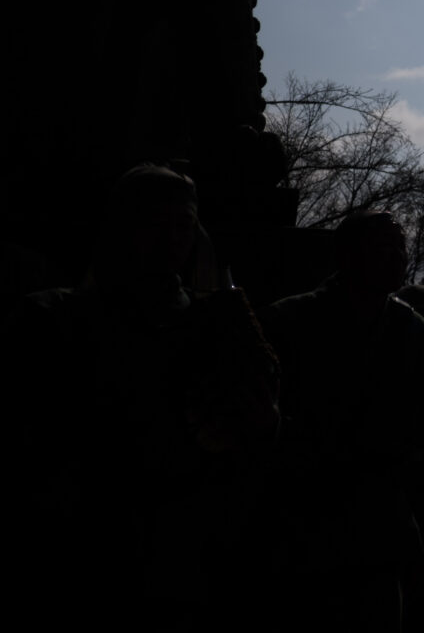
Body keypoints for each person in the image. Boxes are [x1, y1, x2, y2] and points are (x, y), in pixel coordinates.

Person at [5, 163, 278, 624]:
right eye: (155, 224)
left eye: (183, 226)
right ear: (120, 228)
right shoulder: (54, 317)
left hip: (188, 555)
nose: (171, 239)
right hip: (79, 550)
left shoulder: (218, 325)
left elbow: (257, 436)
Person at [265, 210, 424, 633]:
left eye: (401, 247)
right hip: (299, 522)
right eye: (382, 246)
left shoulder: (415, 333)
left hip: (381, 527)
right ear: (348, 254)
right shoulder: (290, 320)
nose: (396, 257)